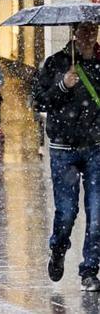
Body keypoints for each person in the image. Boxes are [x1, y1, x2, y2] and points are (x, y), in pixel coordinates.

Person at [35, 22, 100, 291]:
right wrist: (63, 85)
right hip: (64, 149)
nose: (89, 36)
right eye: (84, 31)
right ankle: (58, 249)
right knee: (66, 212)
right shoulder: (56, 63)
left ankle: (89, 270)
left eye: (93, 30)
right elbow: (39, 102)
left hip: (96, 146)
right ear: (74, 32)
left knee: (97, 214)